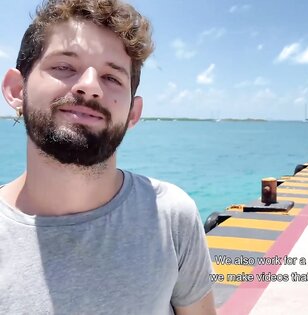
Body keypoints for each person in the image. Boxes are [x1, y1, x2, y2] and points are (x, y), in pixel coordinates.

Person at [0, 0, 216, 313]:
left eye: (112, 78)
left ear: (133, 112)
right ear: (17, 89)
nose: (89, 87)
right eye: (64, 67)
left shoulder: (171, 216)